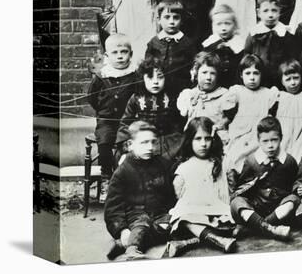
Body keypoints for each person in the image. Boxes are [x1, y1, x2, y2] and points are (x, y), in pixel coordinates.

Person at [104, 122, 176, 261]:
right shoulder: (123, 171)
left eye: (153, 142)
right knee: (141, 224)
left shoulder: (162, 164)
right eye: (144, 143)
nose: (150, 147)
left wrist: (172, 210)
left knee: (176, 226)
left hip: (160, 214)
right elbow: (113, 206)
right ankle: (131, 249)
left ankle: (124, 244)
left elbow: (171, 190)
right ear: (130, 144)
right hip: (136, 215)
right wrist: (122, 230)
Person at [167, 117, 236, 257]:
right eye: (198, 139)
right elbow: (179, 196)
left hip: (218, 213)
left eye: (207, 139)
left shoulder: (222, 162)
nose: (203, 144)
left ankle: (190, 242)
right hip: (194, 216)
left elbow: (231, 187)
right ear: (189, 141)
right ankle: (217, 240)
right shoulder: (184, 168)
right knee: (183, 217)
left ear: (213, 140)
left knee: (232, 226)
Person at [229, 116, 300, 241]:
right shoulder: (252, 161)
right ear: (258, 140)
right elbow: (243, 187)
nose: (270, 146)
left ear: (281, 138)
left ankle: (255, 227)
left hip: (277, 209)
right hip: (257, 207)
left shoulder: (289, 161)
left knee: (293, 201)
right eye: (265, 141)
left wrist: (297, 189)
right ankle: (268, 228)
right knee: (237, 202)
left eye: (274, 140)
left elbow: (294, 183)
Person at [87, 34, 138, 201]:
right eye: (115, 52)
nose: (120, 56)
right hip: (107, 121)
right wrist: (102, 111)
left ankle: (127, 182)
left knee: (129, 147)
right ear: (107, 56)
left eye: (124, 52)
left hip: (128, 120)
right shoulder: (102, 76)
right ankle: (106, 177)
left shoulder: (135, 75)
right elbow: (92, 97)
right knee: (104, 143)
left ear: (131, 54)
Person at [221, 54, 279, 173]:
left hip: (257, 136)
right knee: (233, 159)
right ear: (241, 75)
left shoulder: (267, 93)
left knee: (257, 162)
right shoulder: (237, 91)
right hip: (240, 134)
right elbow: (227, 110)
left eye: (256, 73)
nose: (252, 78)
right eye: (248, 73)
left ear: (261, 75)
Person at [118, 56, 184, 161]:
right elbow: (125, 123)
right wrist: (126, 146)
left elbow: (176, 124)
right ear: (142, 79)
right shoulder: (136, 98)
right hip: (142, 139)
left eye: (160, 77)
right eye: (150, 77)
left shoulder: (171, 98)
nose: (155, 82)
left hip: (166, 142)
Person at [145, 0, 197, 99]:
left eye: (176, 17)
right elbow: (147, 67)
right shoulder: (154, 42)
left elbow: (194, 66)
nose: (171, 22)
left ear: (182, 20)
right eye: (167, 17)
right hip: (159, 88)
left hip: (181, 89)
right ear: (159, 20)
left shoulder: (187, 43)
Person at [245, 0, 297, 87]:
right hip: (258, 81)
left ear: (279, 11)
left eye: (274, 10)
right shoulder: (254, 34)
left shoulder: (285, 34)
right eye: (265, 11)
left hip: (281, 80)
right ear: (258, 12)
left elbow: (292, 58)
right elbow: (247, 58)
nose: (270, 15)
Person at [275, 59, 302, 162]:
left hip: (301, 139)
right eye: (288, 79)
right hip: (283, 138)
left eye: (296, 78)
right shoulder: (278, 97)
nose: (293, 83)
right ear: (282, 81)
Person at [202, 4, 245, 88]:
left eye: (227, 23)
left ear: (235, 25)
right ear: (213, 26)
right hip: (214, 85)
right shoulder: (209, 45)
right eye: (219, 24)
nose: (223, 28)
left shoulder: (240, 45)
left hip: (235, 85)